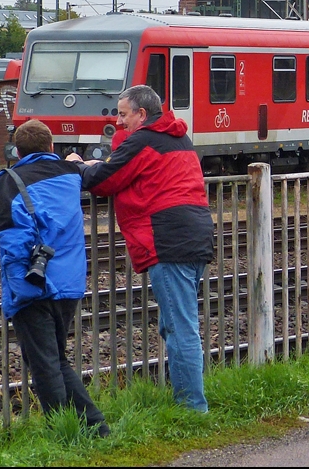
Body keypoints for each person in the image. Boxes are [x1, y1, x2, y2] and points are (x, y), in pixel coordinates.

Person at [67, 85, 213, 412]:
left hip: (168, 240)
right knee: (174, 323)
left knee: (180, 328)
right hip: (196, 233)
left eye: (122, 114)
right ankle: (187, 399)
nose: (118, 121)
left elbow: (105, 179)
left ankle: (193, 408)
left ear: (141, 115)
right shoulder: (178, 138)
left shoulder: (143, 140)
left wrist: (77, 165)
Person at [0, 120, 109, 437]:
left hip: (34, 285)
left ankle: (70, 431)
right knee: (52, 359)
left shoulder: (10, 182)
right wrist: (79, 161)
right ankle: (89, 428)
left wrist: (19, 292)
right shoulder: (71, 176)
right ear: (52, 147)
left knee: (47, 364)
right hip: (70, 283)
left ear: (16, 151)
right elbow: (88, 171)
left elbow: (13, 242)